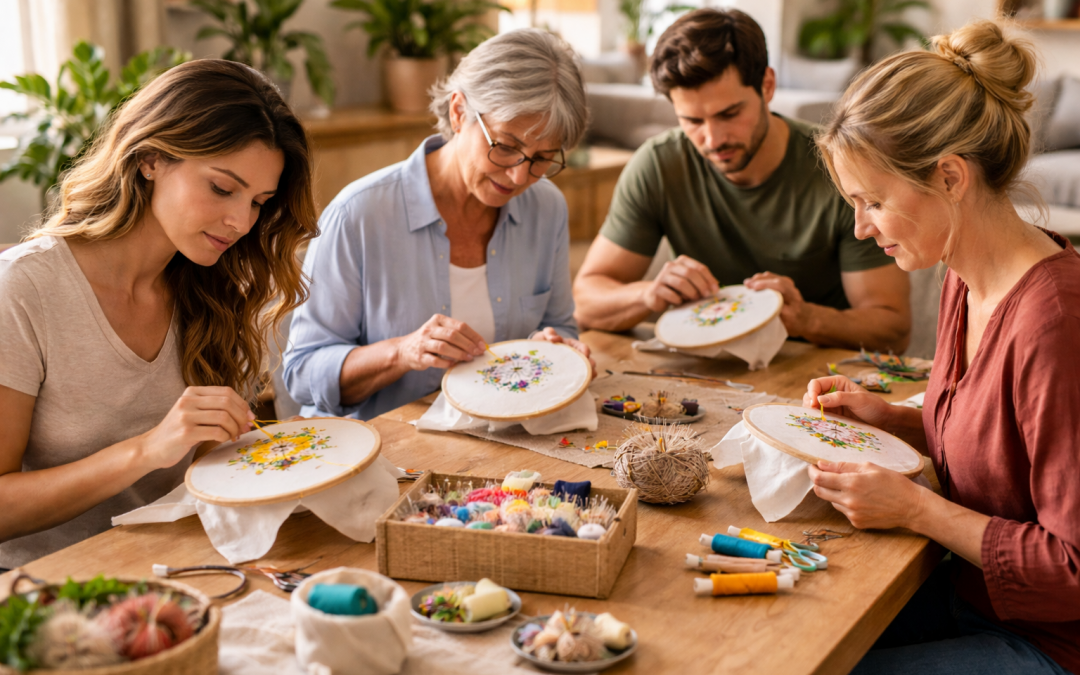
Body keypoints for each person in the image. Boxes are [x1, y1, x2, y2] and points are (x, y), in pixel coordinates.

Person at [804, 20, 1078, 675]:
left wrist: (916, 508)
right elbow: (1004, 451)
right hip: (970, 596)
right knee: (790, 639)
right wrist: (894, 420)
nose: (860, 227)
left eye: (873, 201)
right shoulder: (961, 273)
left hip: (1053, 644)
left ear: (951, 176)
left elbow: (1072, 565)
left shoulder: (1055, 321)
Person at [0, 60, 318, 569]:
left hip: (178, 561)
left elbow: (201, 466)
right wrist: (146, 450)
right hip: (47, 585)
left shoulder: (214, 287)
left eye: (259, 202)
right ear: (150, 158)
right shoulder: (23, 288)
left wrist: (267, 453)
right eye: (222, 188)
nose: (241, 221)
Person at [284, 29, 592, 421]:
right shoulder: (359, 215)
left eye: (542, 158)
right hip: (383, 444)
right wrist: (402, 352)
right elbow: (302, 374)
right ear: (459, 111)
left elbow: (559, 325)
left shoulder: (545, 207)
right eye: (506, 146)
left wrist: (556, 347)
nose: (519, 176)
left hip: (499, 437)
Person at [573, 8, 911, 352]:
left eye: (729, 114)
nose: (713, 139)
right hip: (703, 364)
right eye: (692, 121)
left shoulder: (840, 169)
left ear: (767, 85)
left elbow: (893, 328)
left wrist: (806, 318)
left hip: (815, 368)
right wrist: (646, 295)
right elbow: (585, 302)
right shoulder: (659, 165)